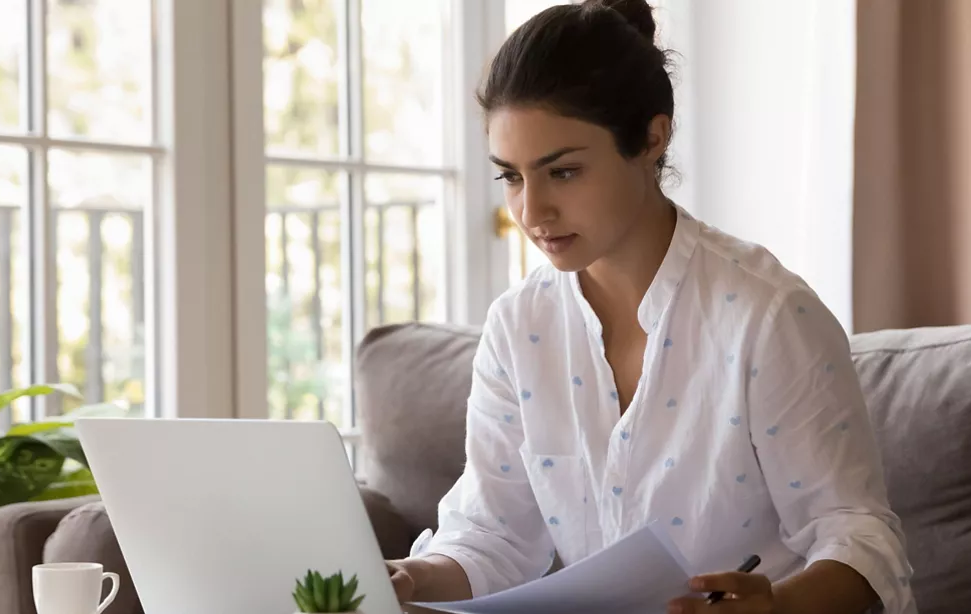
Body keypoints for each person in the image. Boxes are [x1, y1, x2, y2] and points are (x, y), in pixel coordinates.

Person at [385, 1, 916, 612]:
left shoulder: (765, 318)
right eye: (511, 176)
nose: (532, 213)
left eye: (563, 172)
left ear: (651, 138)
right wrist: (409, 580)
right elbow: (492, 537)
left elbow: (860, 536)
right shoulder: (517, 329)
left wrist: (776, 606)